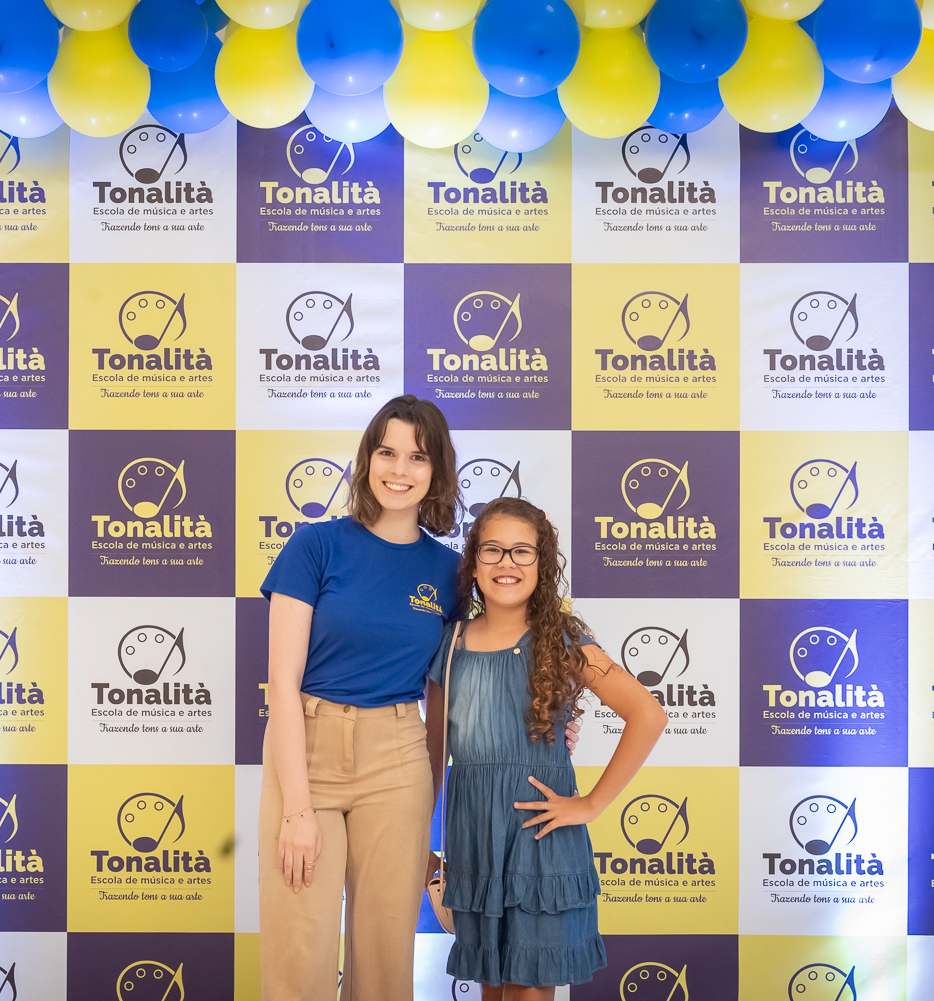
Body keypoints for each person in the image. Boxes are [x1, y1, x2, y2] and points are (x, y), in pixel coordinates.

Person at [257, 394, 464, 1001]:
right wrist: (297, 809)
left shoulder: (450, 572)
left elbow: (448, 696)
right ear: (367, 459)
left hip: (398, 758)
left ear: (436, 471)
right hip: (308, 749)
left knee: (384, 959)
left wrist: (552, 722)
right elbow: (283, 684)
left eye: (417, 457)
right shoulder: (315, 546)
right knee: (300, 951)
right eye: (387, 452)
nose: (399, 470)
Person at [426, 496, 668, 1001]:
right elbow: (432, 758)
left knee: (530, 988)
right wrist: (418, 846)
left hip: (541, 841)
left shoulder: (561, 637)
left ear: (542, 563)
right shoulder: (449, 644)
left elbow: (648, 714)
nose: (507, 563)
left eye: (522, 551)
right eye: (493, 550)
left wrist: (590, 804)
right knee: (493, 986)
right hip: (475, 841)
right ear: (473, 561)